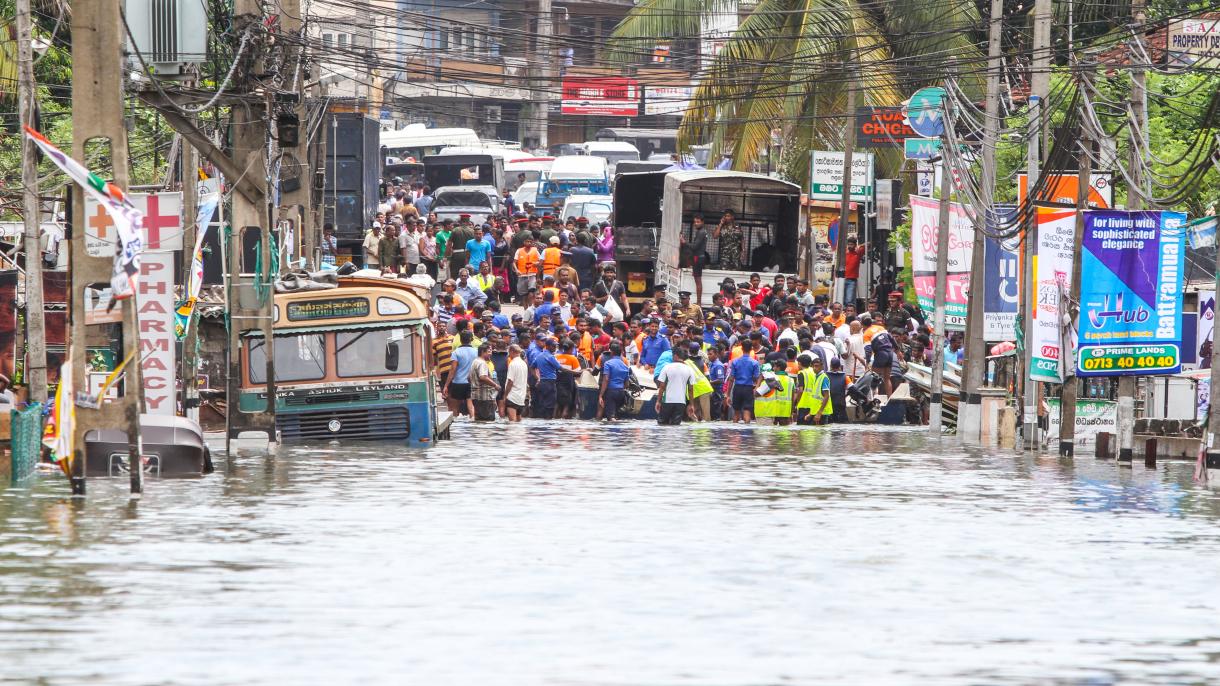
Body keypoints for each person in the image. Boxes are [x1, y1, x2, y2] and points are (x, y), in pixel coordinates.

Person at [655, 347, 695, 425]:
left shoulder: (666, 367)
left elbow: (662, 387)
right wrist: (691, 405)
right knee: (675, 425)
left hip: (667, 402)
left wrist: (658, 401)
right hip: (681, 403)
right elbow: (690, 389)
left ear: (675, 356)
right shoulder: (689, 369)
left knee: (662, 425)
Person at [724, 339, 761, 423]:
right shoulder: (754, 363)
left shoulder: (735, 362)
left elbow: (731, 378)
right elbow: (755, 378)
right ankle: (747, 434)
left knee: (736, 414)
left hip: (737, 388)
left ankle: (735, 434)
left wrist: (728, 394)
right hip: (748, 388)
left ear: (742, 348)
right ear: (751, 349)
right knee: (747, 413)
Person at [445, 331, 478, 416]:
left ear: (460, 340)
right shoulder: (476, 352)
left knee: (455, 407)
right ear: (471, 339)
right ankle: (473, 421)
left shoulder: (456, 352)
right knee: (471, 405)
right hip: (472, 382)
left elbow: (453, 370)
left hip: (458, 382)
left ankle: (455, 425)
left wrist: (446, 385)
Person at [794, 354, 832, 425]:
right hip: (814, 409)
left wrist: (819, 413)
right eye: (813, 366)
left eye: (817, 366)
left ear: (822, 366)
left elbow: (826, 396)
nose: (815, 368)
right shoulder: (815, 375)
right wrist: (811, 414)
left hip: (819, 411)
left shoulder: (823, 378)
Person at [598, 343, 631, 422]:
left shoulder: (608, 364)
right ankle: (617, 433)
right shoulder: (625, 366)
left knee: (611, 417)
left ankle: (612, 432)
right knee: (615, 415)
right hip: (621, 393)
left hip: (611, 392)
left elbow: (606, 379)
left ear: (611, 352)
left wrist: (601, 395)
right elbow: (627, 384)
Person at [471, 343, 501, 422]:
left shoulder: (475, 361)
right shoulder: (482, 363)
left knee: (479, 420)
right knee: (487, 421)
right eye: (488, 351)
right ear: (482, 352)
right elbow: (483, 377)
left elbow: (468, 378)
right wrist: (495, 385)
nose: (490, 354)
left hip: (476, 396)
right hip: (484, 397)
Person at [683, 215, 709, 305]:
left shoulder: (701, 232)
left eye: (698, 222)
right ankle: (699, 302)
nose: (696, 224)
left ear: (702, 222)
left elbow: (694, 247)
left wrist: (684, 242)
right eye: (695, 222)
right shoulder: (702, 232)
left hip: (698, 258)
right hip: (699, 257)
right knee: (697, 281)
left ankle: (698, 302)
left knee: (698, 281)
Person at [502, 344, 528, 422]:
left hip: (512, 397)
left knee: (512, 422)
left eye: (509, 352)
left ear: (512, 351)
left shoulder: (513, 364)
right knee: (519, 421)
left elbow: (510, 381)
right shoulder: (524, 364)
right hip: (521, 397)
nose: (508, 354)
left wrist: (505, 395)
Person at [843, 236, 867, 307]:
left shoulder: (858, 252)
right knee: (842, 299)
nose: (850, 246)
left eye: (851, 244)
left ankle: (849, 315)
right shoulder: (845, 253)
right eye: (849, 244)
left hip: (851, 280)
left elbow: (869, 244)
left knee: (849, 300)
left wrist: (859, 246)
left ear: (855, 245)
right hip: (842, 279)